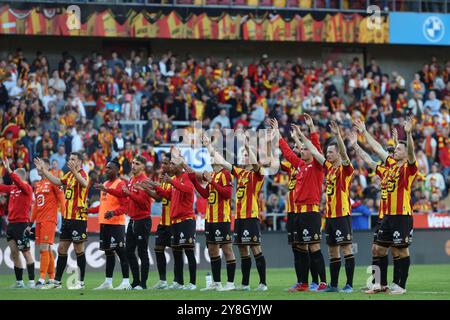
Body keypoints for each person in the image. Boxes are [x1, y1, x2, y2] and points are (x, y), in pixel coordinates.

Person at [354, 117, 418, 294]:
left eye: (398, 149)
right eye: (395, 148)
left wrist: (409, 133)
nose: (394, 151)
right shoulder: (390, 166)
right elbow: (376, 149)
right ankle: (379, 284)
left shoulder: (409, 168)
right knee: (378, 249)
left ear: (405, 153)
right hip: (388, 216)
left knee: (401, 250)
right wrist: (364, 132)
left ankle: (400, 285)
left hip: (401, 214)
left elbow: (411, 153)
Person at [269, 115, 328, 292]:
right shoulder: (300, 165)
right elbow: (287, 151)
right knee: (300, 247)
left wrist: (311, 129)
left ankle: (323, 282)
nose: (301, 151)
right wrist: (278, 133)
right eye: (301, 149)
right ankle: (302, 283)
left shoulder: (317, 166)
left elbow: (316, 148)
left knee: (314, 246)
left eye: (304, 149)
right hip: (298, 213)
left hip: (311, 212)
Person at [297, 121, 355, 293]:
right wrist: (305, 133)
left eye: (331, 152)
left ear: (338, 154)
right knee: (332, 251)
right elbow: (314, 151)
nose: (328, 155)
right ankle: (334, 285)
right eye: (327, 152)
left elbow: (345, 154)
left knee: (346, 249)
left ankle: (349, 284)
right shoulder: (328, 168)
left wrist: (338, 136)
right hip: (329, 216)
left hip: (342, 214)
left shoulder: (346, 169)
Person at [206, 135, 268, 291]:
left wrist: (247, 146)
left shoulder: (258, 174)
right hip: (239, 217)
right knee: (242, 249)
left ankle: (262, 283)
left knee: (255, 249)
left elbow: (254, 163)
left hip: (251, 216)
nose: (244, 157)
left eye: (246, 155)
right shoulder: (240, 173)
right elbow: (224, 162)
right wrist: (209, 147)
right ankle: (245, 284)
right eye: (244, 155)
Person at [184, 135, 236, 291]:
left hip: (222, 218)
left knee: (227, 249)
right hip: (210, 218)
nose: (211, 158)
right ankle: (217, 283)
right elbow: (206, 194)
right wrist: (193, 179)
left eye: (213, 156)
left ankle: (230, 283)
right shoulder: (213, 175)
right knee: (213, 249)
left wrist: (211, 181)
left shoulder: (226, 174)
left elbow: (227, 194)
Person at [34, 152, 89, 290]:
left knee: (78, 249)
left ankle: (81, 282)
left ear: (80, 162)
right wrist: (44, 171)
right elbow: (58, 181)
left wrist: (75, 171)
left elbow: (84, 183)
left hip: (78, 217)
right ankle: (57, 282)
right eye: (69, 158)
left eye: (73, 159)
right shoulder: (68, 175)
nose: (70, 161)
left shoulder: (83, 173)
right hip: (67, 217)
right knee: (61, 248)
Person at [152, 150, 197, 290]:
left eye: (173, 163)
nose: (170, 166)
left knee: (189, 251)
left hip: (186, 219)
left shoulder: (186, 177)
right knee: (177, 252)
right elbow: (168, 195)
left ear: (180, 166)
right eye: (170, 163)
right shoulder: (176, 180)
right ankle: (179, 282)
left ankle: (192, 283)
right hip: (175, 221)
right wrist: (155, 187)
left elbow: (188, 190)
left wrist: (171, 181)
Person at [104, 155, 152, 290]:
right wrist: (108, 190)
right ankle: (135, 281)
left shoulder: (145, 181)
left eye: (137, 163)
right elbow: (123, 194)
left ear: (143, 166)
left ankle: (143, 284)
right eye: (133, 163)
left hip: (143, 220)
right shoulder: (131, 180)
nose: (133, 166)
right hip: (132, 220)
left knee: (142, 252)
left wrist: (129, 194)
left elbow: (144, 204)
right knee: (129, 252)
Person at [89, 159, 131, 290]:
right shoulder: (105, 184)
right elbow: (102, 206)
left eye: (110, 168)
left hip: (116, 224)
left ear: (117, 170)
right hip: (104, 223)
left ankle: (126, 282)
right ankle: (108, 282)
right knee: (108, 253)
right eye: (106, 168)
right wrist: (88, 210)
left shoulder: (120, 184)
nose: (106, 170)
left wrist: (113, 213)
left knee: (121, 252)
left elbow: (126, 206)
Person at [137, 155, 174, 290]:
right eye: (162, 163)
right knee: (158, 249)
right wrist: (146, 189)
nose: (163, 166)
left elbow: (167, 195)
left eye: (165, 163)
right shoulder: (162, 179)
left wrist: (153, 186)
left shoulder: (175, 179)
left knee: (178, 251)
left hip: (174, 221)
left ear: (172, 164)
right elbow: (159, 198)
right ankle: (163, 281)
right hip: (163, 221)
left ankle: (178, 281)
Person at [0, 159, 35, 288]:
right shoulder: (13, 188)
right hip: (11, 225)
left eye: (14, 175)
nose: (12, 177)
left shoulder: (27, 188)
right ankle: (19, 282)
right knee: (14, 253)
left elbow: (19, 183)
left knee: (26, 253)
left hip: (21, 224)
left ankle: (31, 282)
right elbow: (2, 187)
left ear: (19, 176)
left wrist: (9, 170)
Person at [31, 158, 65, 288]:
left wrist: (65, 215)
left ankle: (41, 278)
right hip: (39, 220)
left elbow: (61, 199)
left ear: (46, 167)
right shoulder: (38, 185)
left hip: (49, 219)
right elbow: (35, 206)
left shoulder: (54, 181)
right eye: (36, 166)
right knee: (48, 249)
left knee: (43, 249)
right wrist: (30, 223)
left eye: (39, 165)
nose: (37, 168)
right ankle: (52, 279)